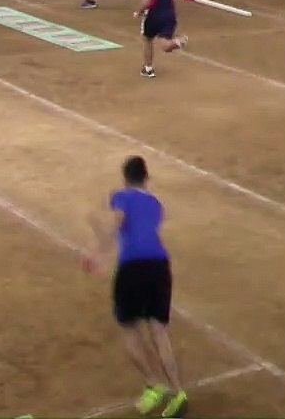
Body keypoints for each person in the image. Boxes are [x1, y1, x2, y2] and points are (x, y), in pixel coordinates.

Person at [84, 156, 188, 418]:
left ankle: (154, 385)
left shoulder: (122, 197)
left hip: (133, 269)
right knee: (159, 332)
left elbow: (119, 224)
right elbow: (138, 229)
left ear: (125, 178)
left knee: (130, 330)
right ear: (146, 177)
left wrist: (97, 250)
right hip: (160, 267)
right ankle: (178, 393)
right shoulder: (156, 204)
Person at [133, 0, 188, 78]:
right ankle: (177, 42)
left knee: (147, 39)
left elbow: (148, 0)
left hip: (154, 15)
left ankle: (148, 68)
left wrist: (139, 11)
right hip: (169, 15)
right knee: (165, 45)